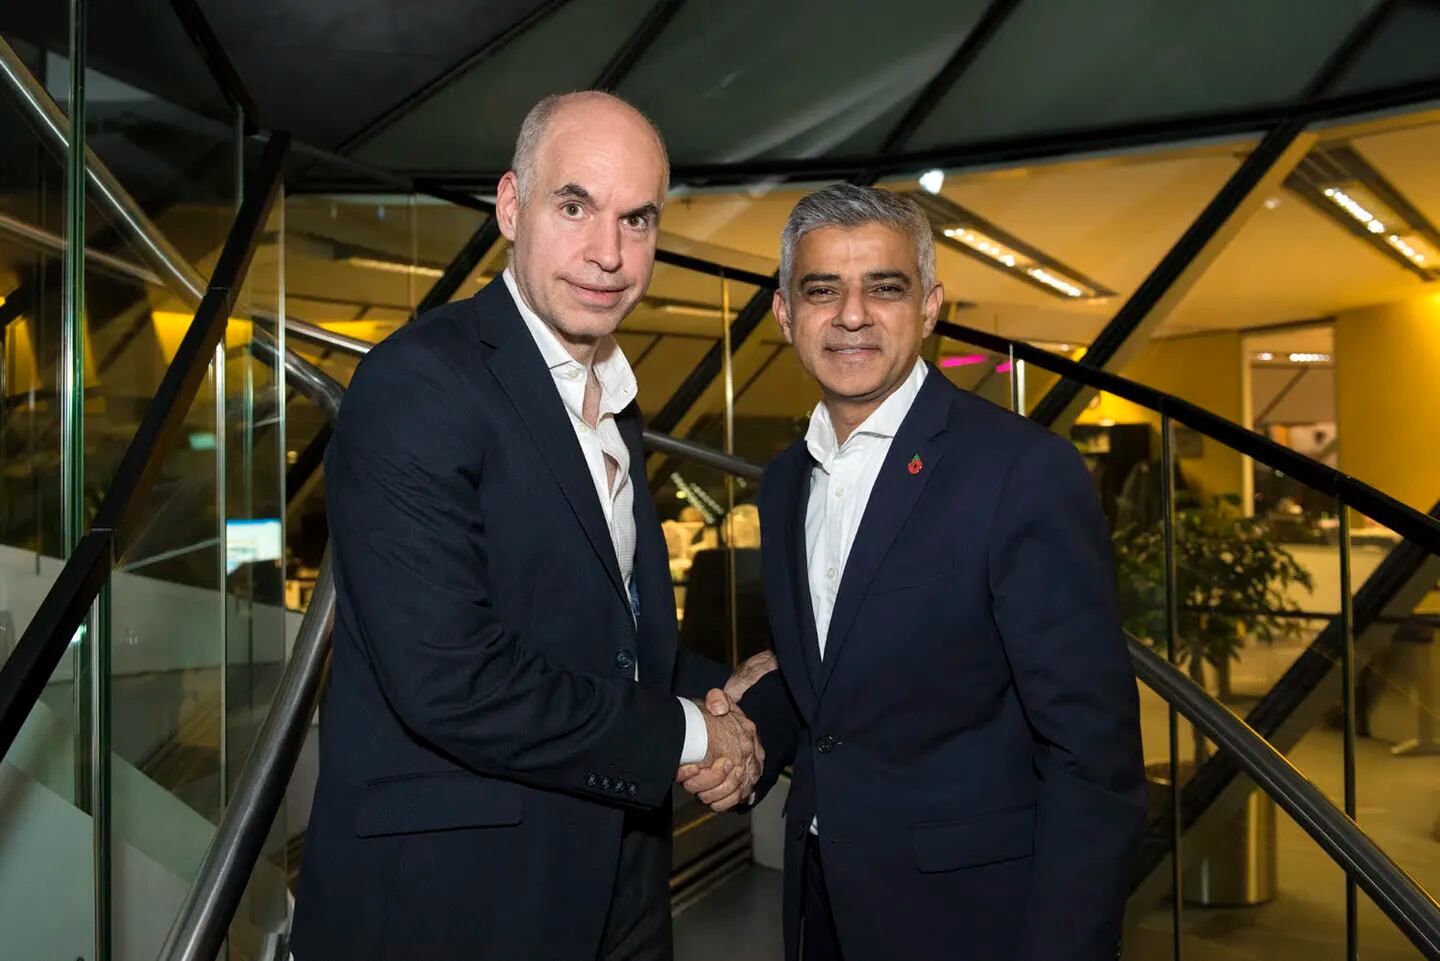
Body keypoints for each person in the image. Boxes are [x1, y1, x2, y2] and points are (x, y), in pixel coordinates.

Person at [291, 91, 767, 961]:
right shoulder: (420, 384)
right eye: (575, 205)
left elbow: (602, 642)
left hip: (612, 880)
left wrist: (734, 690)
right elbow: (453, 676)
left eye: (638, 220)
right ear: (510, 206)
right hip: (453, 903)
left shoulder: (609, 403)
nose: (609, 255)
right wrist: (696, 733)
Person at [682, 184, 1146, 961]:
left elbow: (1092, 756)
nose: (852, 315)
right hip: (820, 901)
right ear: (785, 313)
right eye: (821, 290)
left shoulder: (1020, 471)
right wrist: (749, 734)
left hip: (971, 920)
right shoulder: (786, 478)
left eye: (884, 288)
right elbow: (830, 684)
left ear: (930, 306)